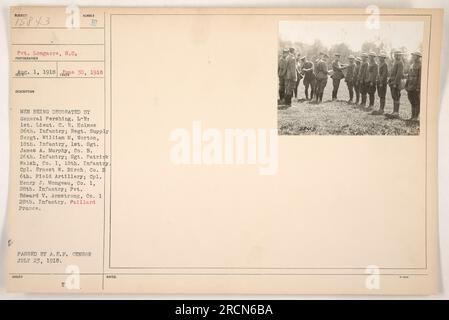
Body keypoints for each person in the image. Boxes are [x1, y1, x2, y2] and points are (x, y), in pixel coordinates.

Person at [386, 50, 404, 119]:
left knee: (396, 96)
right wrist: (390, 80)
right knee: (394, 96)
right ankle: (394, 111)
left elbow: (399, 74)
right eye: (395, 55)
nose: (397, 56)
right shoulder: (395, 62)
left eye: (398, 55)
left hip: (396, 83)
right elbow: (392, 73)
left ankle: (396, 113)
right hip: (392, 82)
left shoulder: (400, 63)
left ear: (400, 56)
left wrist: (395, 83)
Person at [405, 51, 422, 120]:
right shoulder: (412, 65)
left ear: (418, 57)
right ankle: (412, 116)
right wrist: (406, 85)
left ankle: (416, 116)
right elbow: (409, 76)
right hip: (410, 86)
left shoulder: (421, 65)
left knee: (416, 101)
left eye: (414, 56)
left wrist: (418, 87)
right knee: (411, 100)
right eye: (413, 55)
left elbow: (420, 77)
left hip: (415, 86)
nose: (413, 57)